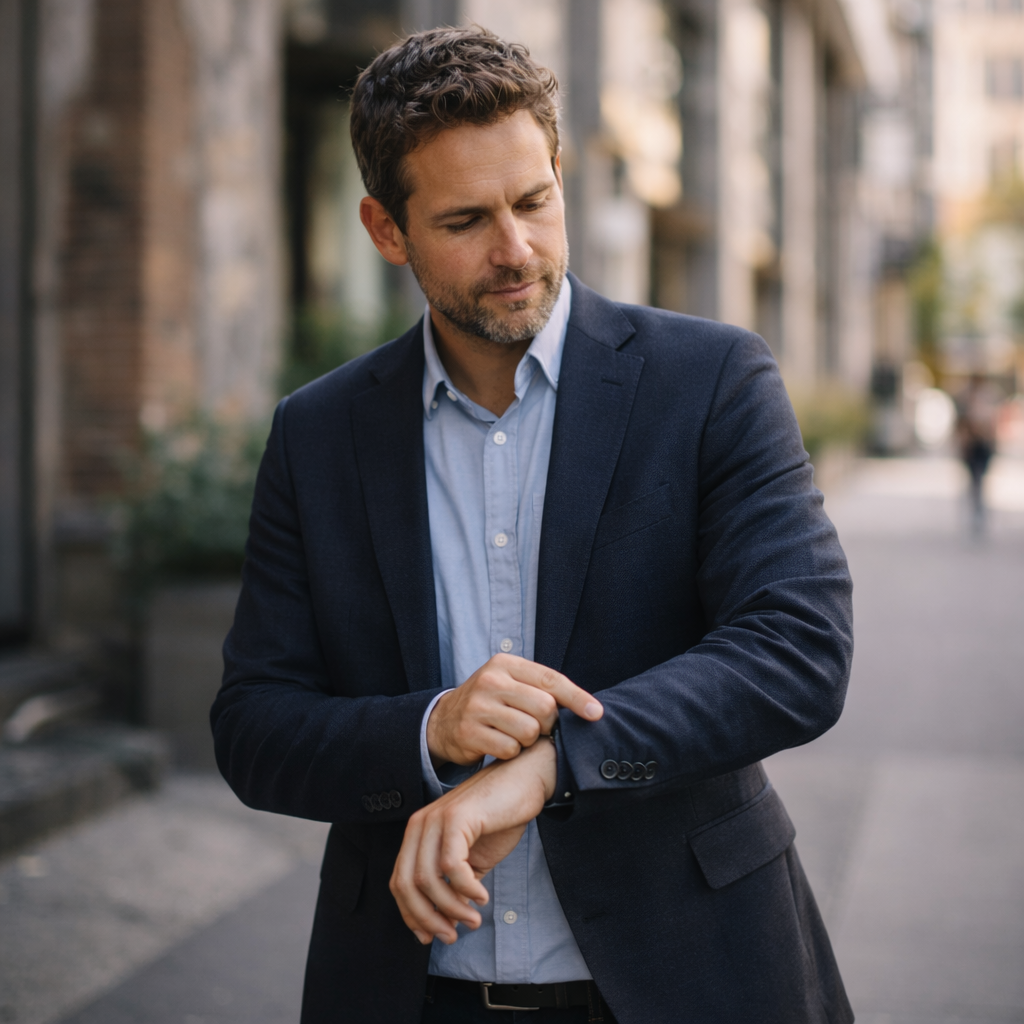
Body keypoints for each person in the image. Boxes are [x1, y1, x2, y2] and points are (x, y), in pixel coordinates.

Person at [212, 26, 854, 1024]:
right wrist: (431, 728)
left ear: (558, 171)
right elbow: (254, 728)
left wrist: (548, 766)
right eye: (466, 219)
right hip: (407, 993)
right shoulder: (318, 433)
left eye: (533, 201)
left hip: (688, 979)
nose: (514, 250)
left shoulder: (710, 380)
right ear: (386, 231)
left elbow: (797, 650)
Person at [956, 373, 1000, 537]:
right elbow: (962, 426)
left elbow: (992, 423)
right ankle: (977, 511)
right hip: (973, 445)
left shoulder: (988, 397)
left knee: (980, 480)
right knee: (975, 479)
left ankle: (979, 511)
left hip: (982, 445)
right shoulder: (966, 398)